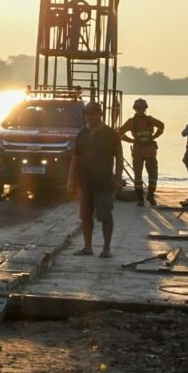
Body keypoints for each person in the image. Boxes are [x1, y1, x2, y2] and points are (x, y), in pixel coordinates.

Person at [67, 101, 124, 258]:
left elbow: (119, 157)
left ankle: (106, 248)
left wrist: (118, 178)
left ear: (100, 114)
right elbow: (75, 157)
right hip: (85, 182)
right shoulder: (82, 134)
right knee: (85, 215)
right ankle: (87, 247)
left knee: (105, 215)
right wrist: (71, 179)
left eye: (92, 114)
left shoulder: (111, 134)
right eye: (87, 114)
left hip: (104, 182)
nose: (89, 117)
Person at [118, 98, 164, 207]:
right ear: (135, 109)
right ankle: (140, 198)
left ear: (145, 108)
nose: (140, 110)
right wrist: (131, 140)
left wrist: (154, 136)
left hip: (150, 151)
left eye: (142, 108)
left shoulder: (150, 120)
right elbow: (119, 133)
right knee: (137, 176)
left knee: (153, 175)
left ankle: (151, 195)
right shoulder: (131, 122)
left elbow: (162, 126)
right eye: (138, 108)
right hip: (138, 151)